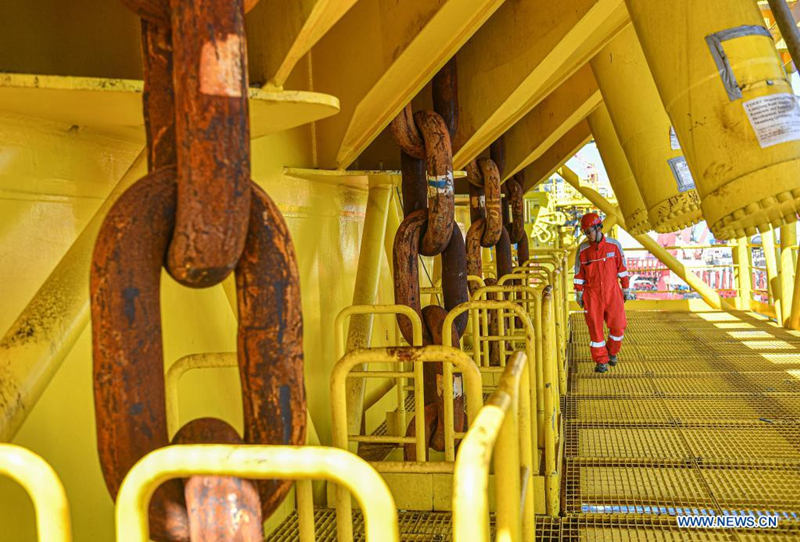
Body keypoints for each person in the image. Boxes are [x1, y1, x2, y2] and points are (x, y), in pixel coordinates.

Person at [573, 212, 636, 373]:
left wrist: (626, 288)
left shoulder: (614, 246)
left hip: (612, 292)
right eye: (585, 233)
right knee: (595, 329)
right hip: (592, 295)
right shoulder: (583, 250)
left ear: (598, 228)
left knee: (619, 326)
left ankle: (612, 352)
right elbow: (579, 274)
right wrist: (579, 293)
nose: (587, 236)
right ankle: (601, 361)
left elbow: (622, 269)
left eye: (589, 232)